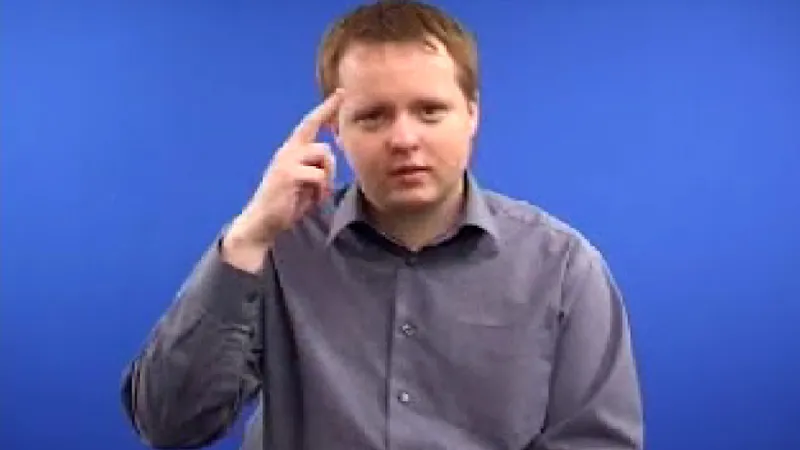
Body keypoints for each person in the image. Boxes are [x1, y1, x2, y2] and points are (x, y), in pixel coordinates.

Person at [120, 1, 644, 449]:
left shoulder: (564, 269)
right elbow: (169, 424)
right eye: (373, 116)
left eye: (430, 111)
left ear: (472, 114)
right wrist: (248, 237)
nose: (404, 139)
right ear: (335, 130)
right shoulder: (277, 249)